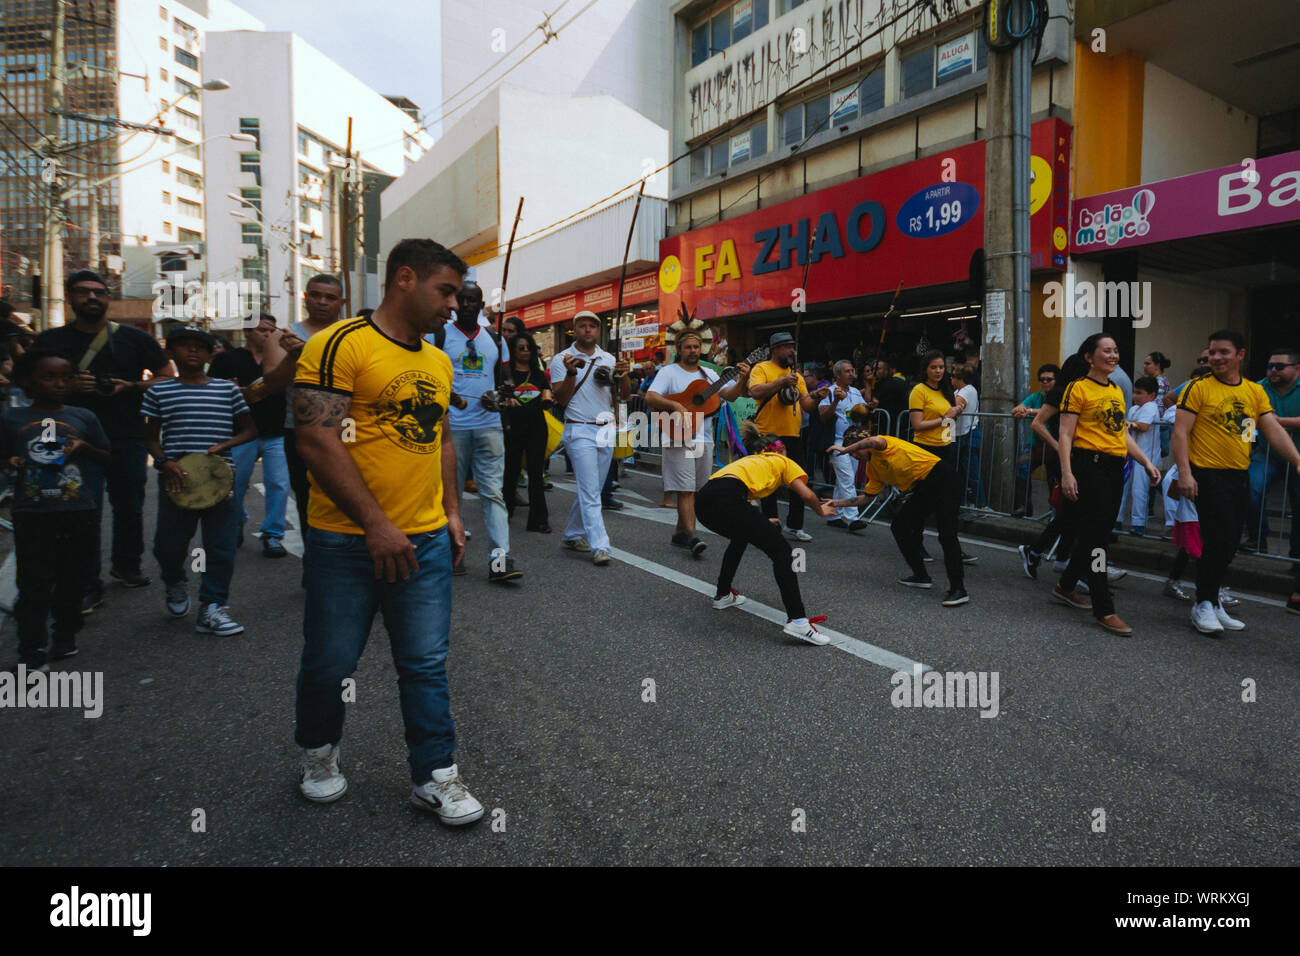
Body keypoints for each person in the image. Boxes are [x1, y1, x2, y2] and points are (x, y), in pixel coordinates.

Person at [291, 238, 483, 824]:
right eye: (444, 290)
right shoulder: (338, 344)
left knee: (425, 663)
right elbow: (316, 439)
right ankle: (320, 754)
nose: (454, 305)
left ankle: (435, 775)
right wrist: (375, 525)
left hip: (423, 540)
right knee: (330, 661)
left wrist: (451, 513)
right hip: (344, 541)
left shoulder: (437, 359)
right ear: (405, 278)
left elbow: (442, 439)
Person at [34, 270, 172, 611]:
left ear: (109, 298)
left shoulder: (134, 339)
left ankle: (127, 565)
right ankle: (87, 583)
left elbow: (166, 378)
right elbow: (29, 385)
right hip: (66, 437)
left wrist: (131, 387)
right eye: (84, 292)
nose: (92, 298)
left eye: (100, 292)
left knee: (130, 506)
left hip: (126, 434)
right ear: (69, 297)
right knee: (83, 510)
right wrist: (68, 387)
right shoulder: (49, 341)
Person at [1174, 330, 1300, 634]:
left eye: (1223, 352)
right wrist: (1185, 474)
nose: (1216, 357)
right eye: (1212, 352)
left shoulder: (1254, 392)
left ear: (1240, 354)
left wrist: (1297, 460)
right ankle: (1202, 604)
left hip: (1238, 474)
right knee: (1216, 540)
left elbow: (1272, 429)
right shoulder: (1197, 388)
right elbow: (1180, 433)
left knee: (1230, 543)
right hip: (1207, 473)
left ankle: (1213, 601)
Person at [1, 349, 111, 670]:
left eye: (66, 377)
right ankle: (31, 651)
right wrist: (9, 462)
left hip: (78, 511)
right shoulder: (11, 419)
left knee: (73, 579)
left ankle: (65, 635)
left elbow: (107, 457)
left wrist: (85, 448)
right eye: (49, 377)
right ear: (27, 381)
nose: (60, 383)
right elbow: (2, 457)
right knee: (33, 583)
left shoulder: (84, 417)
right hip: (32, 514)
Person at [143, 326, 256, 636]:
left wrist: (226, 446)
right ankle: (175, 580)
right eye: (184, 346)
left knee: (220, 547)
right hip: (177, 480)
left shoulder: (226, 389)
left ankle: (212, 607)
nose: (192, 352)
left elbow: (249, 430)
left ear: (210, 355)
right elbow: (150, 438)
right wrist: (165, 462)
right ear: (170, 352)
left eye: (200, 347)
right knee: (169, 545)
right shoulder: (159, 391)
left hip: (220, 481)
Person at [1055, 333, 1161, 637]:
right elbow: (1065, 435)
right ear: (1089, 357)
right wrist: (1067, 473)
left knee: (1093, 535)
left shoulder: (1116, 390)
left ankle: (1065, 586)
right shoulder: (1078, 389)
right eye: (1106, 351)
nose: (1113, 356)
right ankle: (1104, 607)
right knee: (1099, 540)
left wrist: (1146, 462)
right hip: (1089, 467)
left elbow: (1121, 434)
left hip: (1116, 469)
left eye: (1116, 351)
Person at [695, 420, 835, 644]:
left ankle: (723, 595)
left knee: (741, 536)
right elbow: (807, 495)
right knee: (782, 553)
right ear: (780, 450)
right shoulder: (783, 461)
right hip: (728, 499)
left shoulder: (750, 461)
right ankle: (798, 621)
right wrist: (821, 509)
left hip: (703, 501)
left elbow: (738, 502)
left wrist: (759, 521)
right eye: (785, 451)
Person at [433, 280, 521, 583]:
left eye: (474, 300)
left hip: (489, 426)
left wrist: (504, 390)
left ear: (481, 304)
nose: (468, 305)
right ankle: (452, 555)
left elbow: (505, 380)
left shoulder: (496, 340)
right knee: (449, 495)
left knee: (494, 494)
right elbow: (430, 378)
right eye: (463, 299)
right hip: (452, 429)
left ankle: (500, 562)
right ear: (456, 303)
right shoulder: (440, 335)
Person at [828, 425, 969, 607]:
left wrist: (845, 449)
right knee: (900, 526)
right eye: (852, 453)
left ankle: (959, 589)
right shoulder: (873, 468)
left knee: (947, 534)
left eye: (856, 449)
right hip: (923, 487)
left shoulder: (884, 444)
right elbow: (867, 498)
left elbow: (875, 440)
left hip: (943, 478)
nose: (855, 455)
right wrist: (836, 503)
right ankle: (921, 576)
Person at [645, 328, 749, 555]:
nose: (692, 351)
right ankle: (692, 536)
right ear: (679, 350)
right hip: (676, 436)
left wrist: (744, 379)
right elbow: (650, 397)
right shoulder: (668, 372)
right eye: (687, 347)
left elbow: (730, 395)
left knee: (697, 489)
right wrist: (676, 405)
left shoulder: (709, 375)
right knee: (685, 490)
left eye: (695, 347)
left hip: (704, 438)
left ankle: (678, 532)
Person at [261, 274, 347, 538]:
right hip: (299, 430)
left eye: (330, 297)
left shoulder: (351, 335)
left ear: (341, 302)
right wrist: (294, 357)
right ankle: (316, 564)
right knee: (308, 499)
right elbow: (272, 385)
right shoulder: (281, 337)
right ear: (305, 297)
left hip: (348, 428)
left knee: (350, 495)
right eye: (315, 295)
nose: (322, 302)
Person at [549, 310, 630, 566]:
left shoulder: (608, 357)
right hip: (579, 429)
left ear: (598, 331)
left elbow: (624, 395)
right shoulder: (562, 359)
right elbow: (561, 399)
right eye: (582, 326)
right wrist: (571, 373)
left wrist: (624, 374)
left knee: (591, 488)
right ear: (575, 330)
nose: (587, 330)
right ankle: (600, 545)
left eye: (592, 326)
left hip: (605, 428)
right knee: (590, 491)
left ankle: (573, 534)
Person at [210, 313, 290, 557]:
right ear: (246, 332)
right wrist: (230, 390)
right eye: (261, 330)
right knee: (235, 484)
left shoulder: (281, 358)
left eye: (271, 330)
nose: (267, 334)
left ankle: (273, 535)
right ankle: (237, 522)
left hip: (276, 430)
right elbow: (208, 389)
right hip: (240, 432)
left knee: (279, 484)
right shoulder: (227, 359)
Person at [745, 332, 830, 542]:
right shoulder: (762, 368)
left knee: (799, 479)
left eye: (793, 347)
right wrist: (781, 382)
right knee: (769, 482)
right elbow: (755, 391)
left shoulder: (797, 376)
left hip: (792, 435)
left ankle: (795, 525)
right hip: (767, 434)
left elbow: (806, 406)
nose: (792, 351)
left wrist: (817, 397)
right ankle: (770, 521)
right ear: (776, 349)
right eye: (787, 347)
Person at [1018, 356, 1087, 579]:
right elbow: (1037, 423)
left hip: (1080, 459)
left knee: (1072, 514)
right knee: (1072, 513)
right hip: (1065, 461)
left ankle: (1057, 557)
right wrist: (1058, 447)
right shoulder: (1061, 394)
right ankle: (1086, 570)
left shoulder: (1084, 392)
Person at [1244, 347, 1300, 569]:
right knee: (1251, 489)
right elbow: (1248, 419)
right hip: (1267, 453)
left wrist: (1274, 422)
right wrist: (1246, 448)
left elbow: (1263, 420)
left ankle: (1296, 556)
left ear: (1296, 368)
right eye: (1269, 367)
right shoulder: (1259, 387)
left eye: (1279, 367)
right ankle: (1257, 539)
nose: (1273, 371)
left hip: (1297, 457)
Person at [500, 331, 552, 534]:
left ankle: (539, 520)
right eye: (520, 347)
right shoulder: (506, 374)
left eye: (529, 347)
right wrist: (506, 400)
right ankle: (505, 514)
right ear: (512, 350)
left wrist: (547, 399)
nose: (525, 351)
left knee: (536, 474)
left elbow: (547, 396)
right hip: (513, 427)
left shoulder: (538, 374)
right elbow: (499, 396)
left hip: (537, 427)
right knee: (510, 473)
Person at [818, 360, 867, 530]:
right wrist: (835, 402)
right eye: (847, 371)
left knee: (845, 478)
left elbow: (863, 410)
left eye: (852, 371)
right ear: (837, 374)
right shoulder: (829, 392)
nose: (851, 374)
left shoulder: (855, 392)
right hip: (837, 441)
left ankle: (834, 513)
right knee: (846, 478)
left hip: (853, 442)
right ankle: (853, 518)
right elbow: (823, 416)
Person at [1011, 363, 1059, 516]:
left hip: (1056, 445)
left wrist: (1029, 411)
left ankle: (1056, 513)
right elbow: (1017, 408)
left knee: (1055, 479)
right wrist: (1020, 409)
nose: (1045, 382)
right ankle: (1024, 506)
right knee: (1021, 468)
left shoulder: (1060, 396)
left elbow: (1051, 410)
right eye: (1042, 379)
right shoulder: (1036, 396)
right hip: (1035, 444)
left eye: (1049, 379)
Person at [1118, 376, 1162, 535]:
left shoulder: (1151, 406)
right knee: (1121, 489)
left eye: (1139, 393)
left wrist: (1131, 424)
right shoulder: (1133, 409)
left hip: (1146, 456)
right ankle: (1117, 520)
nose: (1135, 396)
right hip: (1131, 455)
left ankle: (1138, 525)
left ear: (1151, 395)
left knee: (1139, 490)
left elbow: (1143, 426)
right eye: (1134, 392)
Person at [908, 350, 964, 471]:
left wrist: (956, 412)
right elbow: (917, 425)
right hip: (925, 447)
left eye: (941, 367)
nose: (938, 371)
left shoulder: (946, 390)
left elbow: (950, 421)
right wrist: (945, 418)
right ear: (925, 369)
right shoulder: (919, 390)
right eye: (933, 367)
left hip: (946, 446)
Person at [951, 363, 987, 509]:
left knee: (971, 472)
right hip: (962, 434)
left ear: (959, 378)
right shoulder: (963, 390)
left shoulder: (965, 392)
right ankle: (963, 503)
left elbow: (953, 409)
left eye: (952, 376)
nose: (950, 379)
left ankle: (980, 505)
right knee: (961, 472)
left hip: (967, 434)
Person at [867, 357, 909, 436]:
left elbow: (871, 400)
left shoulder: (889, 384)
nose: (874, 372)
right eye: (872, 369)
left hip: (895, 424)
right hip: (892, 424)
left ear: (886, 371)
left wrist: (868, 384)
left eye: (877, 369)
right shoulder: (884, 382)